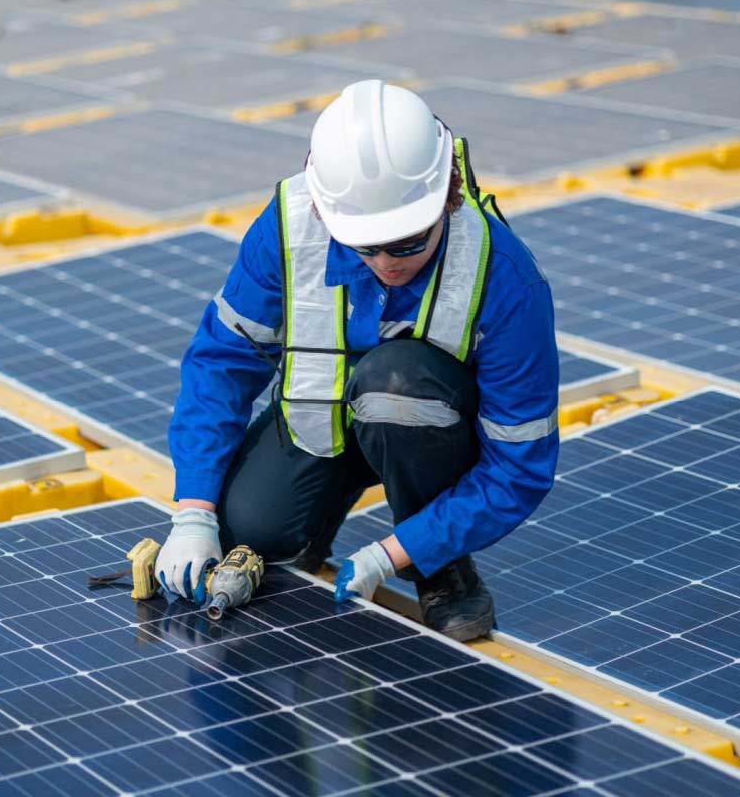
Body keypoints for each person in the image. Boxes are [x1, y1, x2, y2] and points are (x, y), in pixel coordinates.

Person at [155, 79, 559, 641]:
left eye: (407, 243)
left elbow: (521, 465)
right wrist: (194, 510)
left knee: (393, 386)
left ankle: (439, 568)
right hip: (322, 421)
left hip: (428, 433)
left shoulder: (506, 280)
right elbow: (222, 364)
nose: (386, 263)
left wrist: (398, 552)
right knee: (253, 533)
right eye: (363, 246)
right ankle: (307, 516)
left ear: (448, 195)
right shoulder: (287, 231)